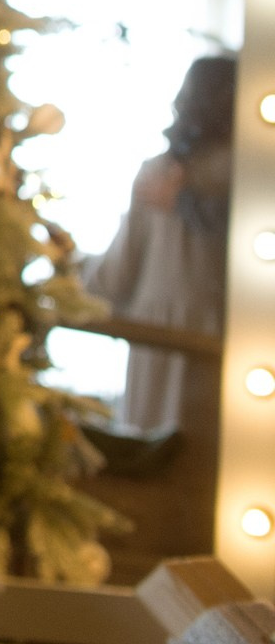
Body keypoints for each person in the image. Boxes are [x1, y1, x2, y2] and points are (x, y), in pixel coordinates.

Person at [89, 53, 235, 434]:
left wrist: (68, 270)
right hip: (220, 332)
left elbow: (115, 277)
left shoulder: (159, 173)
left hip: (158, 336)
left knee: (150, 452)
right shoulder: (246, 177)